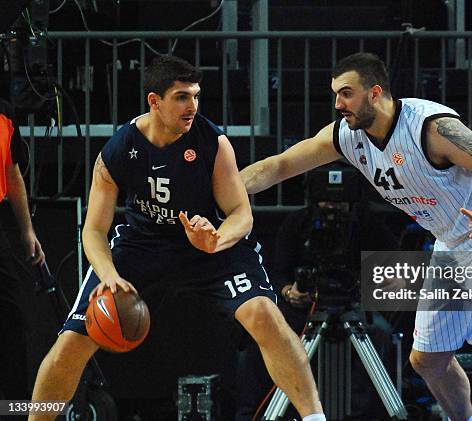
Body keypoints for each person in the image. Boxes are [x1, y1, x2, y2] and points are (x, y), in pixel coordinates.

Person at [239, 52, 472, 421]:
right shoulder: (346, 136)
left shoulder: (431, 128)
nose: (338, 104)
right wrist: (220, 192)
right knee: (428, 360)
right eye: (335, 94)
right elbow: (277, 165)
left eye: (346, 93)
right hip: (451, 245)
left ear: (375, 92)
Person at [28, 56, 324, 421]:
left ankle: (314, 417)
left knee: (265, 315)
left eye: (196, 96)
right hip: (143, 244)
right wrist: (108, 275)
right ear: (154, 101)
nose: (192, 107)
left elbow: (241, 214)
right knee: (72, 341)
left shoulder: (213, 142)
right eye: (182, 97)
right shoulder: (120, 150)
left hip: (208, 247)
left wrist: (216, 239)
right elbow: (93, 230)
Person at [236, 195, 396, 420]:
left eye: (338, 198)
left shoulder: (368, 224)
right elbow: (277, 270)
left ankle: (363, 415)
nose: (332, 204)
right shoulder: (298, 222)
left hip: (354, 305)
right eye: (326, 198)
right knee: (264, 332)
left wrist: (364, 285)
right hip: (304, 307)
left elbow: (392, 269)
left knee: (381, 332)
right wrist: (288, 291)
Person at [0, 98, 45, 402]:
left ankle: (15, 406)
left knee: (11, 316)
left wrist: (27, 230)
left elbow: (12, 171)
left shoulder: (4, 113)